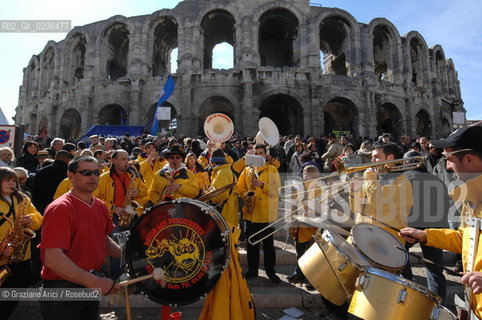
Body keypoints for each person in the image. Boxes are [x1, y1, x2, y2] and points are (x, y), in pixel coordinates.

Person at [400, 125, 482, 318]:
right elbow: (468, 240)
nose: (447, 166)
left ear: (469, 159)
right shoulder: (471, 198)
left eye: (449, 159)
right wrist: (426, 235)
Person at [38, 156, 121, 320]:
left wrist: (128, 255)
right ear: (71, 176)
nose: (93, 177)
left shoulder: (100, 205)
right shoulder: (60, 208)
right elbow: (52, 258)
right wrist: (94, 281)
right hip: (62, 289)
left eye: (96, 172)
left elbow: (103, 239)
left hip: (88, 285)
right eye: (86, 172)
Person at [401, 151, 449, 303]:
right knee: (435, 268)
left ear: (405, 163)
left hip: (411, 227)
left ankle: (408, 294)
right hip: (434, 228)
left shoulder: (403, 180)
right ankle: (436, 304)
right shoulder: (436, 179)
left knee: (401, 259)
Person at [0, 167, 42, 319]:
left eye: (14, 180)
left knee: (20, 284)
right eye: (7, 180)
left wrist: (32, 218)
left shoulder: (23, 198)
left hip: (20, 254)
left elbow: (38, 216)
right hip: (1, 253)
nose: (12, 183)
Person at [350, 142, 413, 243]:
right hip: (364, 236)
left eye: (377, 157)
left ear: (390, 158)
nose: (372, 161)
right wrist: (354, 190)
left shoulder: (402, 182)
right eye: (372, 157)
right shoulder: (372, 179)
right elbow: (355, 208)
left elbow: (378, 203)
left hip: (387, 242)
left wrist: (370, 179)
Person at [238, 144, 281, 283]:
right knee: (251, 245)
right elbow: (240, 188)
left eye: (261, 153)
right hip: (251, 213)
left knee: (269, 246)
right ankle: (252, 270)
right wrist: (246, 196)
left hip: (267, 214)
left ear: (265, 155)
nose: (258, 155)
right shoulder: (247, 170)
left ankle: (271, 272)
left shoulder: (272, 169)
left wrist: (262, 185)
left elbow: (277, 191)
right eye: (256, 153)